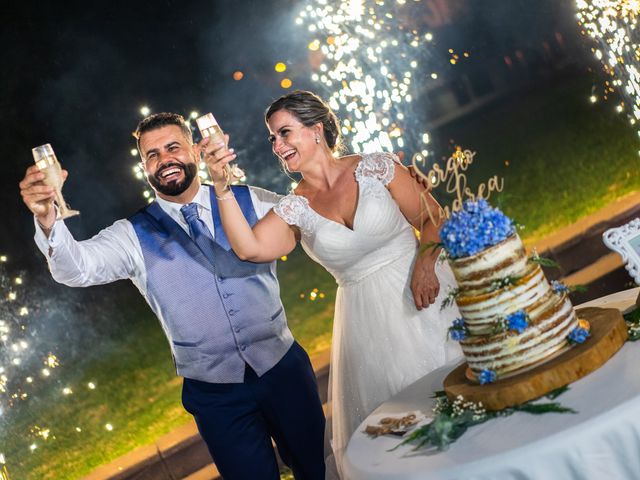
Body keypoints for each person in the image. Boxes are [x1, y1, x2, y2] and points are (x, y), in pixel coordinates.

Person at [18, 112, 326, 480]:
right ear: (144, 166)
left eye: (172, 147)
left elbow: (318, 218)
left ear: (196, 151)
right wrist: (48, 220)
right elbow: (75, 268)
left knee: (315, 469)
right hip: (216, 396)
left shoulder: (253, 200)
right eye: (152, 155)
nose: (164, 159)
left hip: (284, 371)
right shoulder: (130, 234)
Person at [204, 90, 462, 478]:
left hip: (427, 294)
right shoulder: (294, 208)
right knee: (407, 436)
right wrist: (221, 188)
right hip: (370, 327)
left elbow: (432, 216)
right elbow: (249, 248)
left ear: (316, 129)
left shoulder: (378, 167)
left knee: (463, 391)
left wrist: (426, 264)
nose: (277, 146)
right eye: (273, 138)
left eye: (284, 133)